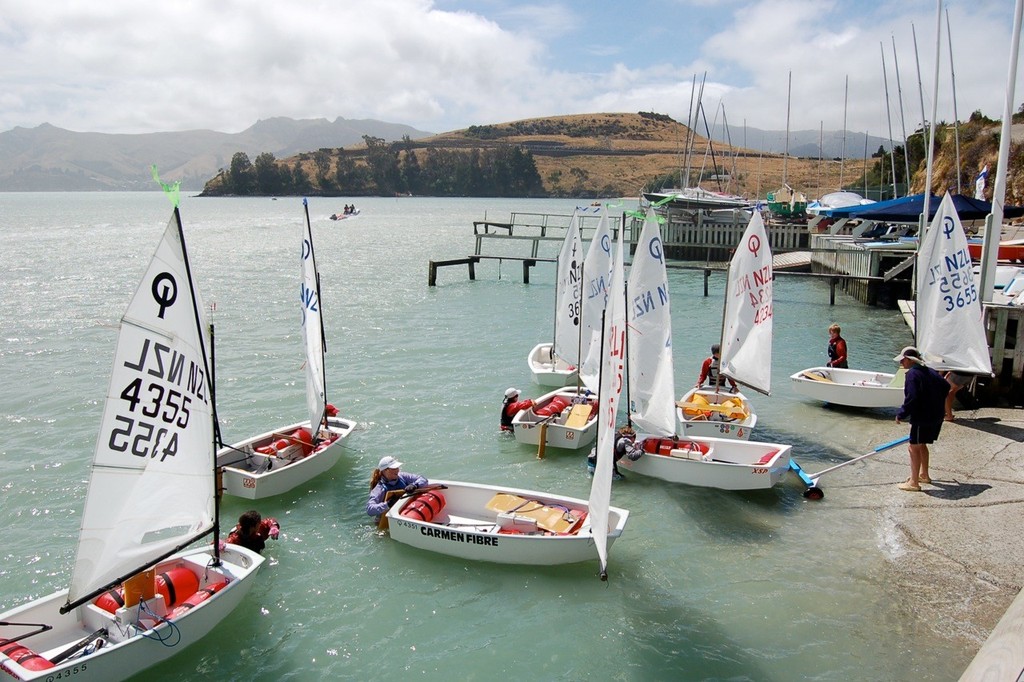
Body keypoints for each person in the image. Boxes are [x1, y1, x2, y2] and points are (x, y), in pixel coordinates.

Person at [893, 346, 950, 491]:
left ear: (908, 360)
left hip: (923, 416)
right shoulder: (929, 371)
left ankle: (913, 482)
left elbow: (912, 397)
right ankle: (924, 475)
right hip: (936, 415)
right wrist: (935, 402)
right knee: (922, 444)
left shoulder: (912, 374)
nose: (901, 363)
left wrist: (902, 413)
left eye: (902, 360)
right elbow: (945, 386)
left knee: (913, 447)